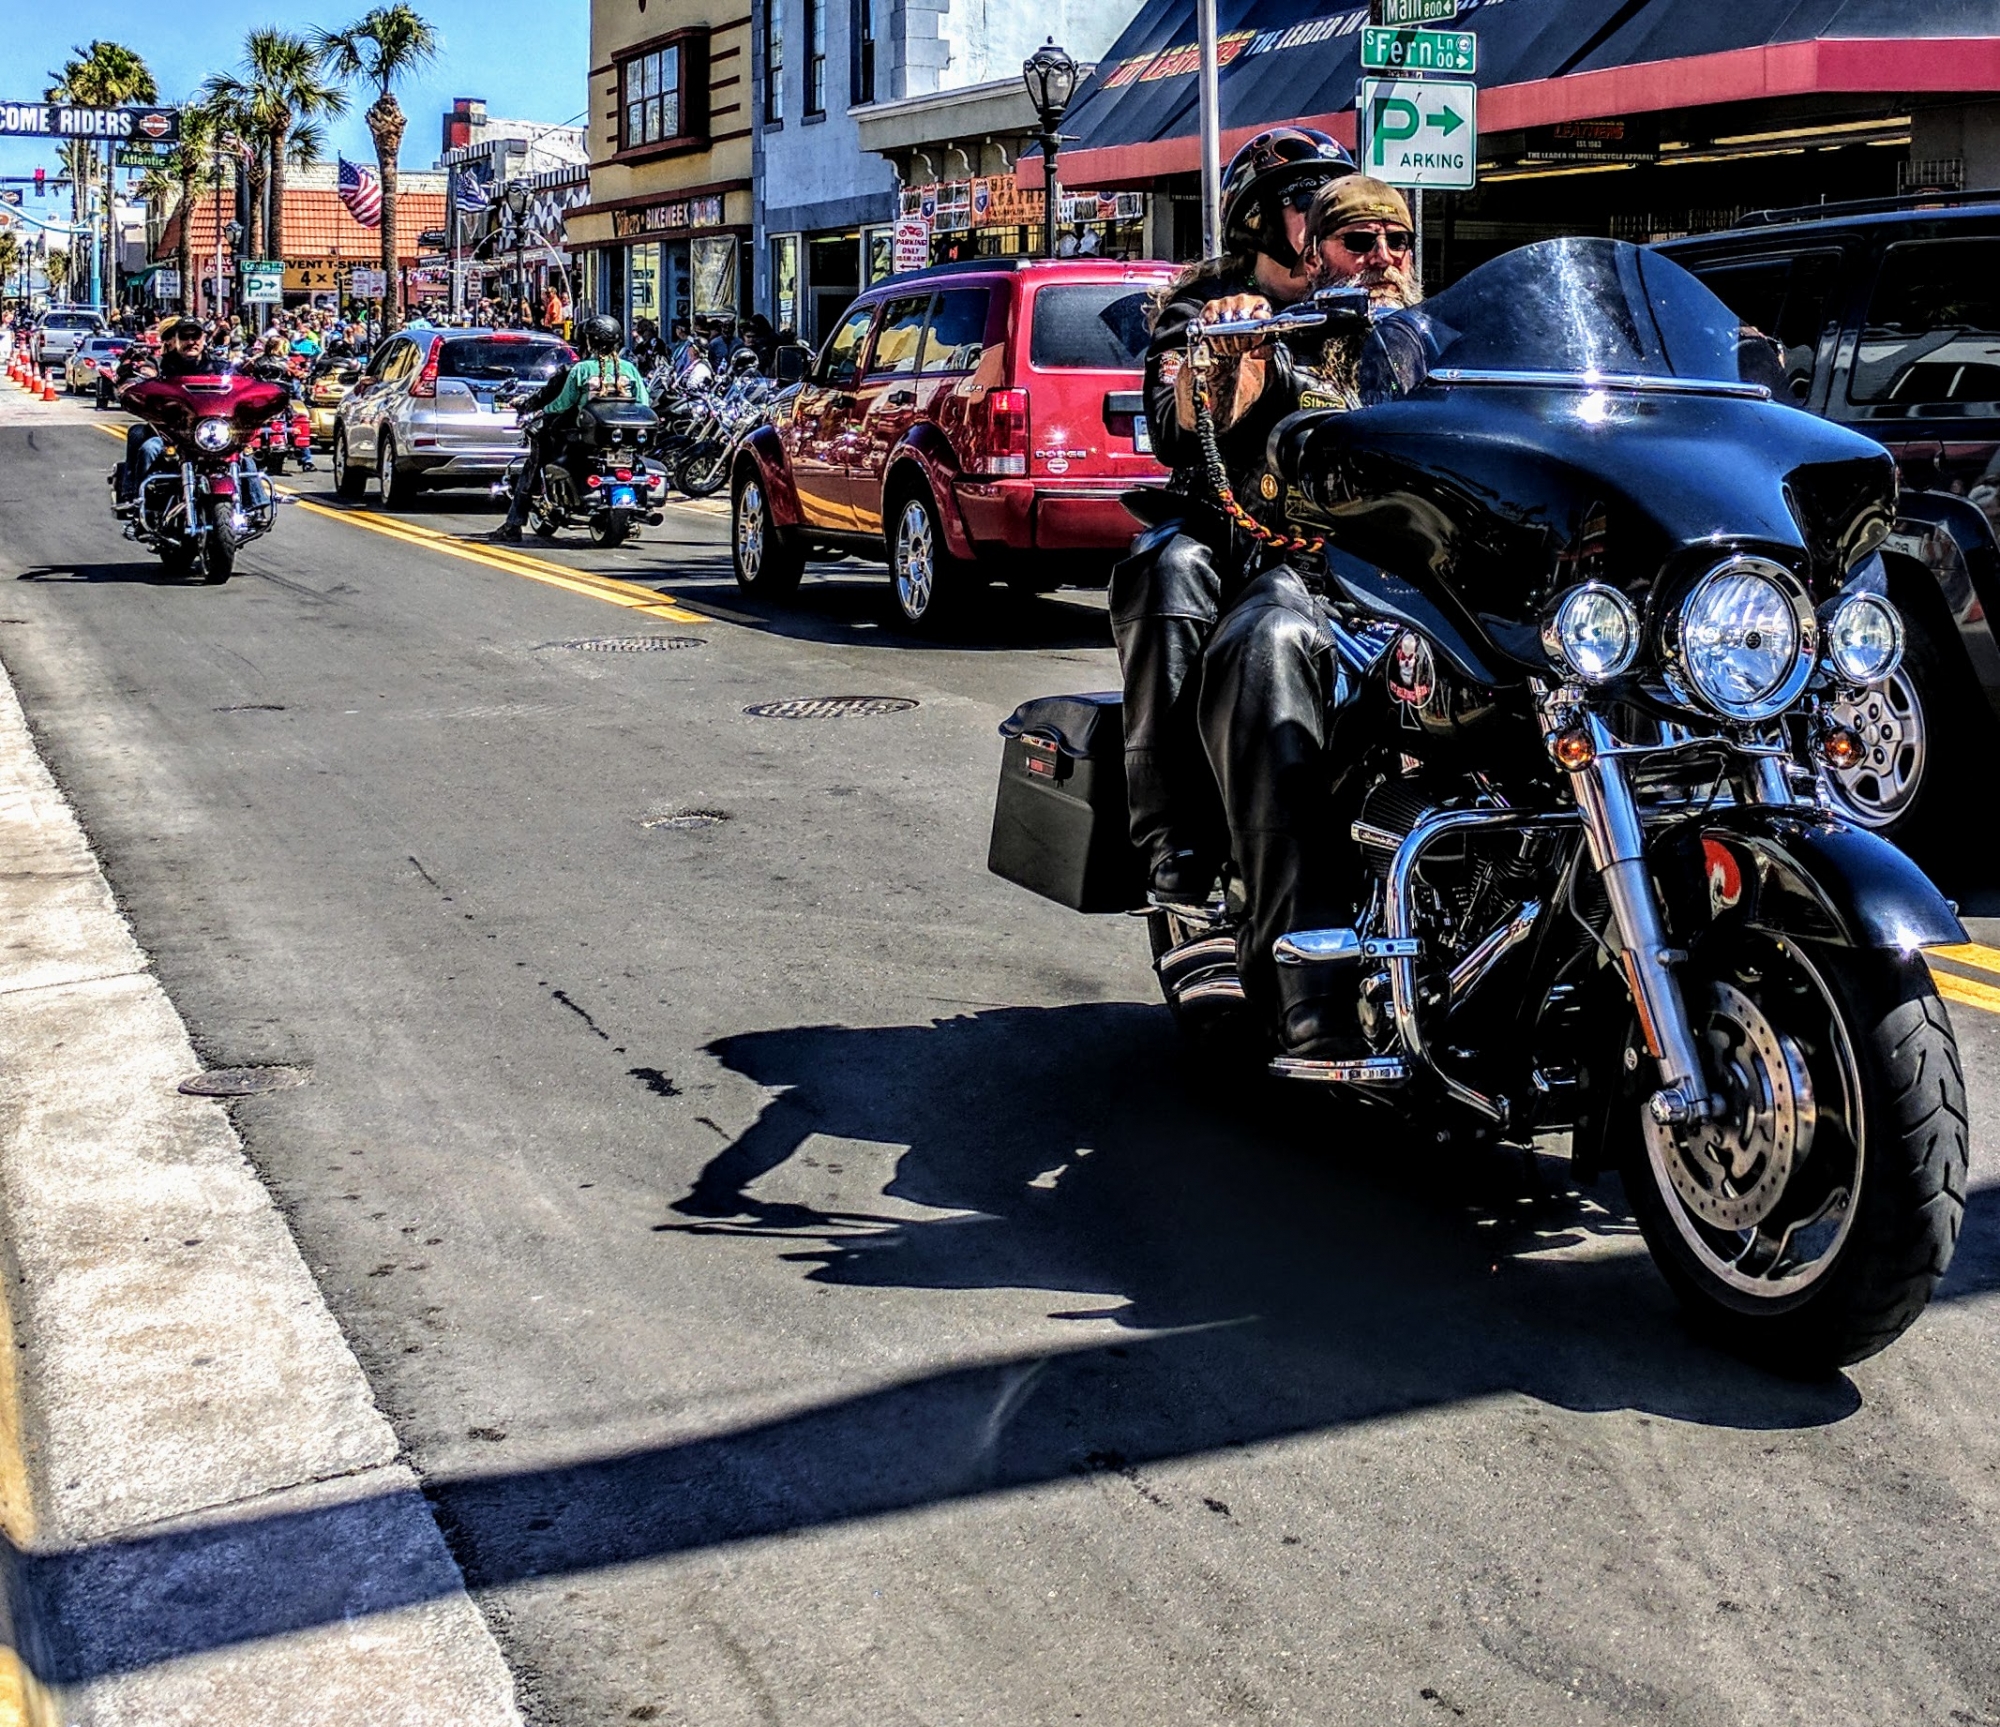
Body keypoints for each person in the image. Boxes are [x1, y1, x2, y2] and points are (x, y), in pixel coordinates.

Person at [1193, 174, 1427, 1059]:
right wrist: (1226, 353)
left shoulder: (1446, 351)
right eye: (1358, 243)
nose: (1381, 262)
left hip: (1428, 585)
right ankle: (1304, 969)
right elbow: (1205, 417)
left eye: (1395, 243)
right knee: (1269, 642)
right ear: (1316, 256)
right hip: (1311, 577)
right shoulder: (1283, 343)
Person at [1115, 126, 1357, 921]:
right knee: (1168, 564)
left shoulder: (1365, 308)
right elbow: (1176, 429)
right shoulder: (1201, 310)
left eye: (1334, 203)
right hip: (1234, 537)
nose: (1326, 218)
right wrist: (1222, 354)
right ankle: (1174, 839)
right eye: (1306, 202)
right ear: (1257, 218)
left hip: (1347, 547)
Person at [493, 315, 650, 542]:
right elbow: (643, 402)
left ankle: (513, 525)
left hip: (583, 436)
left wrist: (542, 411)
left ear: (588, 341)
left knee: (533, 464)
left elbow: (563, 403)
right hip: (625, 436)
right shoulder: (630, 369)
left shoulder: (580, 370)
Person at [116, 317, 221, 507]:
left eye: (196, 336)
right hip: (171, 433)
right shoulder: (161, 363)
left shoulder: (217, 364)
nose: (191, 342)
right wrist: (138, 376)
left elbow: (239, 379)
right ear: (176, 339)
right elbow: (144, 371)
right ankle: (139, 503)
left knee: (242, 454)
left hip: (210, 432)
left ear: (204, 338)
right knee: (148, 448)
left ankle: (257, 503)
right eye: (185, 337)